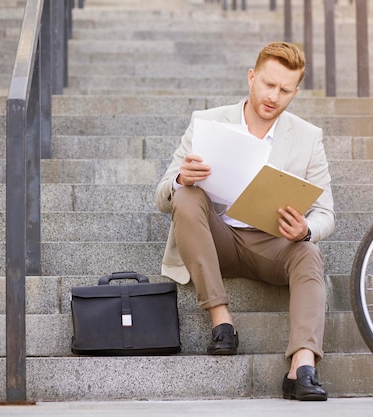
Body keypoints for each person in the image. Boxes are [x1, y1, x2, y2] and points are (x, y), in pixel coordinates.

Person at [155, 42, 335, 401]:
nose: (274, 96)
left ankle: (302, 365)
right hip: (215, 239)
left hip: (270, 244)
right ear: (251, 77)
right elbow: (162, 195)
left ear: (295, 92)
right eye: (268, 84)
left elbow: (326, 214)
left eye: (285, 90)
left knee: (309, 253)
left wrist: (306, 229)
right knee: (187, 195)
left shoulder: (307, 137)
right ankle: (221, 321)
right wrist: (181, 180)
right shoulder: (206, 122)